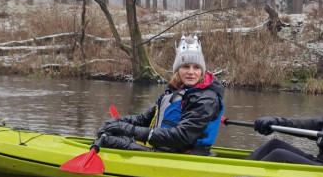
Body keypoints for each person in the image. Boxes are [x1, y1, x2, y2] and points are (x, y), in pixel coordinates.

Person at [92, 35, 224, 155]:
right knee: (111, 136)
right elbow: (143, 120)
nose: (191, 72)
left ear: (202, 71)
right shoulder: (174, 92)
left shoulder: (206, 98)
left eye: (196, 67)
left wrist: (128, 129)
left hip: (184, 155)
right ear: (178, 70)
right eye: (186, 67)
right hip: (164, 148)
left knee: (109, 142)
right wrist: (116, 122)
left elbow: (182, 136)